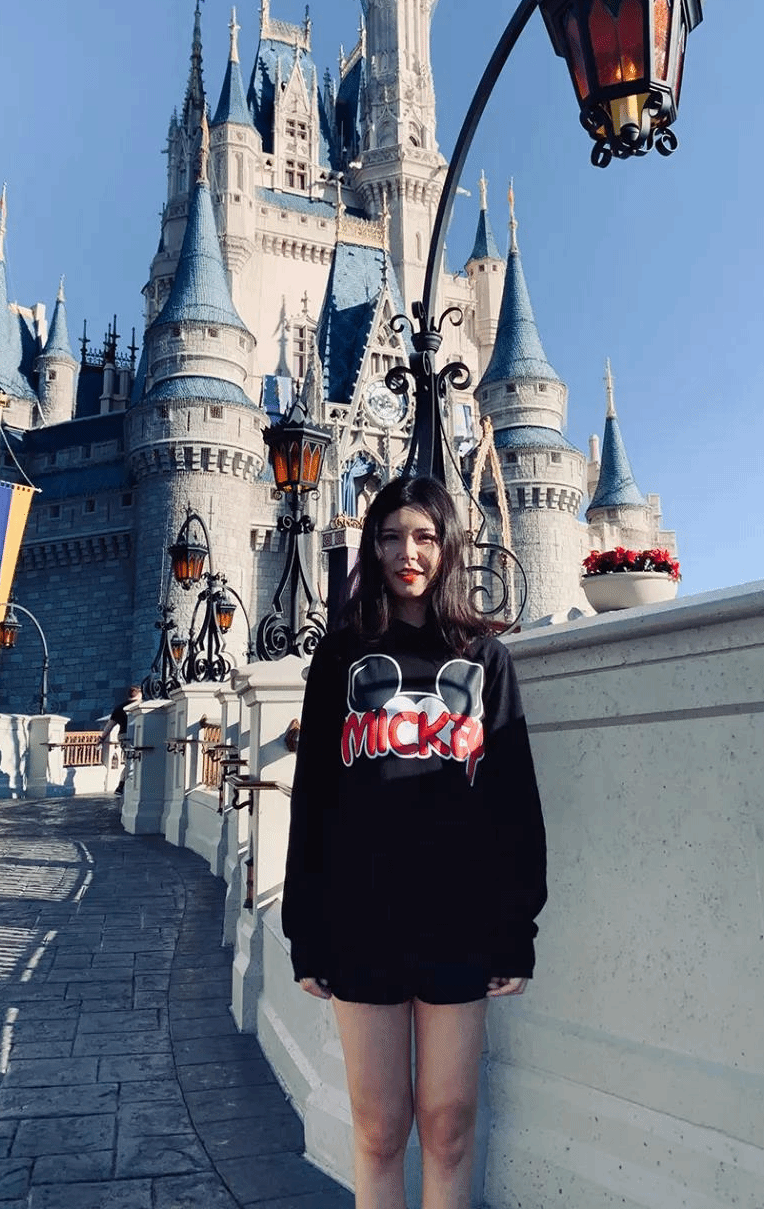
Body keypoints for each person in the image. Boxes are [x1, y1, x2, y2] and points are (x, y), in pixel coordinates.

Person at [282, 476, 547, 1209]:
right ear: (372, 547)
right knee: (378, 1131)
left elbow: (514, 802)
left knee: (450, 1126)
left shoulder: (485, 659)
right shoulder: (341, 658)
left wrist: (516, 932)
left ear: (448, 547)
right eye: (392, 537)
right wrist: (307, 932)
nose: (409, 553)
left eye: (425, 537)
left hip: (461, 921)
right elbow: (315, 800)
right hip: (360, 920)